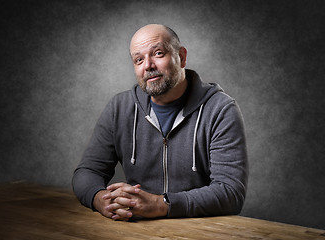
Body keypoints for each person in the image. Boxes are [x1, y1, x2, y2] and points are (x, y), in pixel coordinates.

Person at [72, 24, 248, 221]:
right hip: (136, 228)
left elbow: (231, 193)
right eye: (139, 60)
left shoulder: (220, 109)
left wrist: (160, 204)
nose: (148, 65)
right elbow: (87, 171)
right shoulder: (120, 108)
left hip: (201, 229)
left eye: (157, 53)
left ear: (181, 57)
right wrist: (101, 199)